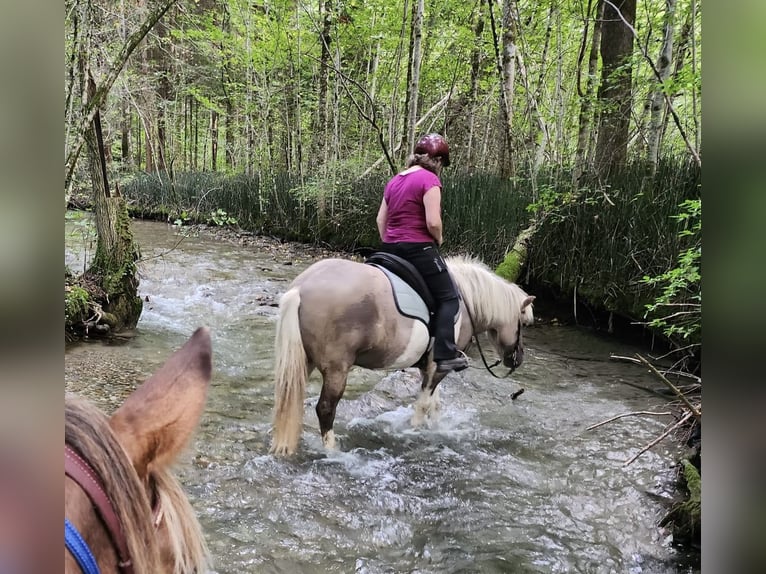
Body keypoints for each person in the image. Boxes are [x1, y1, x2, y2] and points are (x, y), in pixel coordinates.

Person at [375, 133, 468, 373]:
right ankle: (445, 354)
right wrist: (438, 239)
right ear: (437, 160)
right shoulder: (430, 180)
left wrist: (390, 243)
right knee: (449, 298)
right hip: (418, 248)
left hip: (390, 251)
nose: (440, 168)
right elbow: (433, 222)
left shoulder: (394, 180)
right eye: (441, 164)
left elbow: (380, 220)